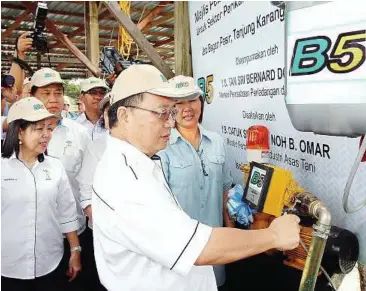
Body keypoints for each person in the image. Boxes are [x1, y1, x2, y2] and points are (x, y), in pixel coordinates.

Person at [92, 64, 300, 291]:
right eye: (163, 112)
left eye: (172, 113)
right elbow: (199, 248)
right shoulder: (125, 181)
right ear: (124, 116)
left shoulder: (142, 161)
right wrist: (273, 236)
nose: (171, 122)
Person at [158, 76, 233, 289]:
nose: (187, 108)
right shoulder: (162, 146)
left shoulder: (216, 141)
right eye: (178, 103)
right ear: (169, 109)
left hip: (215, 244)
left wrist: (230, 230)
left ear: (201, 101)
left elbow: (224, 190)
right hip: (180, 250)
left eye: (192, 100)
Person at [1, 97, 81, 290]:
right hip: (8, 267)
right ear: (19, 132)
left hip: (50, 263)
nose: (46, 135)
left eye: (49, 128)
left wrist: (75, 250)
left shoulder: (55, 168)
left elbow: (67, 212)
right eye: (38, 129)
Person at [28, 68, 93, 290]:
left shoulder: (80, 134)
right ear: (32, 96)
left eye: (57, 93)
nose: (53, 100)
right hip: (35, 234)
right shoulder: (19, 133)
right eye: (45, 94)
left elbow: (88, 183)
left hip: (75, 233)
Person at [74, 94, 111, 291]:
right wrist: (104, 226)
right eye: (108, 112)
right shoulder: (97, 147)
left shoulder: (144, 145)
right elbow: (86, 192)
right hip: (102, 234)